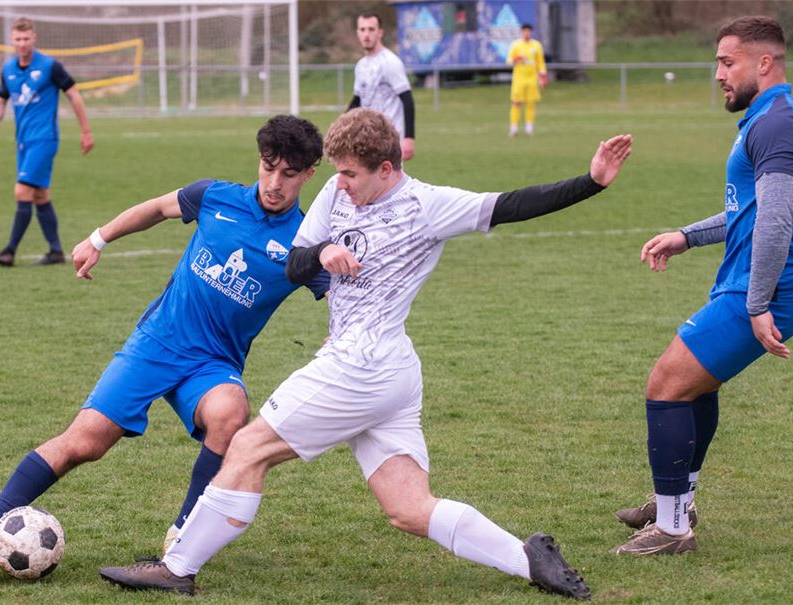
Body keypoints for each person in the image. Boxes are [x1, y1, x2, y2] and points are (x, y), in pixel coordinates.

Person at [98, 108, 633, 600]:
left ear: (386, 169)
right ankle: (528, 559)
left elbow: (514, 204)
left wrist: (591, 182)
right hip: (388, 371)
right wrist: (323, 252)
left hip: (361, 366)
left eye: (352, 175)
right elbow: (295, 264)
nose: (341, 184)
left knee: (248, 448)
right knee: (408, 509)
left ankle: (178, 567)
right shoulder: (335, 191)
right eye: (338, 173)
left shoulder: (427, 206)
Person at [0, 115, 329, 576]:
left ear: (309, 175)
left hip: (212, 364)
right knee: (86, 442)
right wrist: (98, 238)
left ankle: (183, 534)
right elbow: (156, 208)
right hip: (157, 343)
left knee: (230, 412)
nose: (274, 183)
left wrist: (341, 340)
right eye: (269, 167)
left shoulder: (304, 244)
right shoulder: (215, 197)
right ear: (259, 161)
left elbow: (339, 299)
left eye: (289, 174)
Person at [613, 16, 793, 556]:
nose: (719, 75)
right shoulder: (779, 117)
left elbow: (775, 222)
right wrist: (687, 236)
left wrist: (757, 303)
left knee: (665, 384)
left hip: (769, 284)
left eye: (728, 63)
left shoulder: (773, 125)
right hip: (762, 279)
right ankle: (676, 501)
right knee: (695, 386)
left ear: (764, 62)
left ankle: (672, 528)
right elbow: (751, 211)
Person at [0, 17, 94, 267]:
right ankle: (55, 251)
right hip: (22, 141)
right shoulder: (8, 69)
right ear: (12, 40)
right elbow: (1, 99)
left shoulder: (49, 66)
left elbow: (74, 95)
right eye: (18, 39)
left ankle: (9, 251)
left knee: (22, 190)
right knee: (40, 195)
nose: (22, 43)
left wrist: (86, 131)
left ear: (34, 38)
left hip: (44, 139)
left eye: (26, 38)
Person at [348, 13, 416, 161]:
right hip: (367, 138)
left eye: (371, 29)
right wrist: (341, 127)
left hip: (389, 140)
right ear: (357, 33)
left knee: (387, 176)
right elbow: (357, 100)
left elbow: (407, 99)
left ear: (380, 32)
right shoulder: (361, 65)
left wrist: (409, 138)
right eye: (362, 29)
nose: (366, 34)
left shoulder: (390, 62)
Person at [506, 24, 548, 137]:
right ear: (521, 32)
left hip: (532, 79)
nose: (526, 33)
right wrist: (516, 59)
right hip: (519, 79)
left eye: (528, 31)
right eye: (524, 31)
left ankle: (529, 129)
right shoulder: (516, 45)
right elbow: (509, 61)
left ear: (531, 32)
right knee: (516, 103)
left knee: (530, 103)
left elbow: (540, 62)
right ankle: (514, 129)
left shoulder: (536, 45)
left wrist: (543, 76)